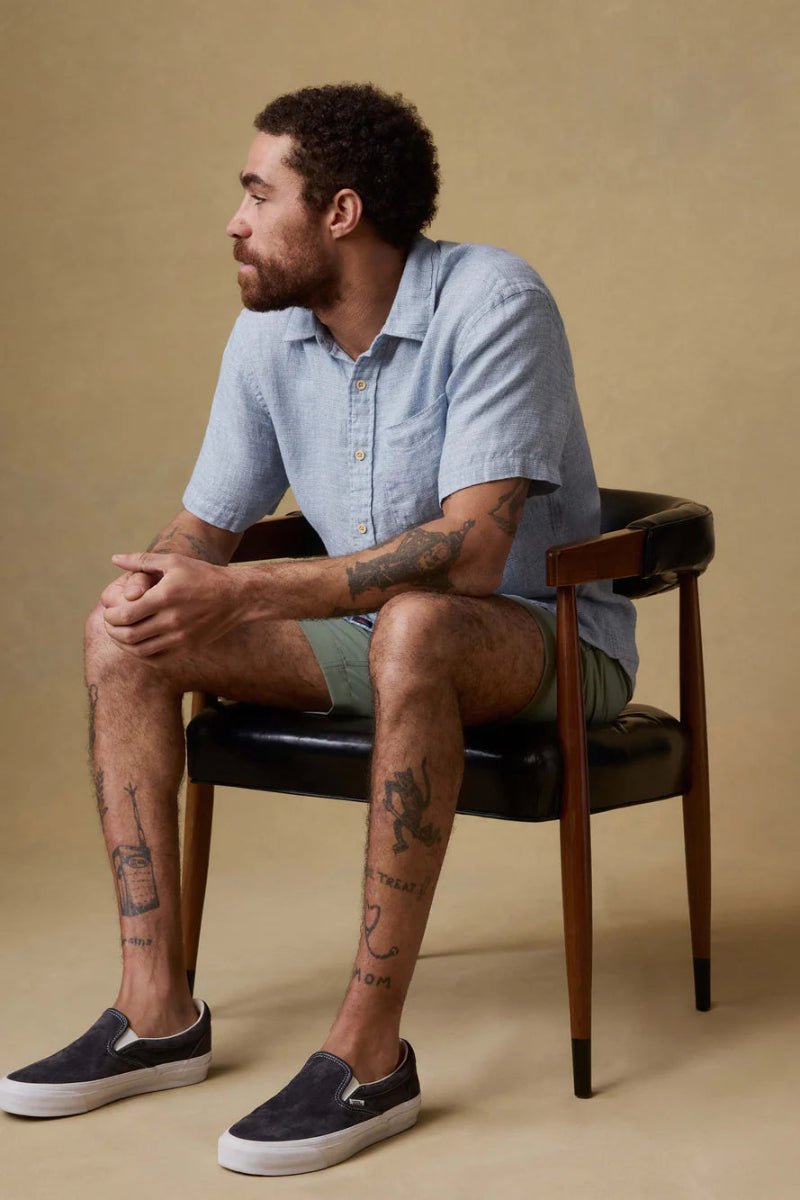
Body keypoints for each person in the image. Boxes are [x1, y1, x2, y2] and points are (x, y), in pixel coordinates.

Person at [0, 82, 638, 1175]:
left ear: (338, 212)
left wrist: (243, 593)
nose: (237, 220)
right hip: (384, 631)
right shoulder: (269, 338)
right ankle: (153, 1011)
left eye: (259, 193)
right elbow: (206, 528)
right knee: (123, 635)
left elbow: (472, 551)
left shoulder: (492, 300)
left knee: (421, 626)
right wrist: (157, 584)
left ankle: (367, 1049)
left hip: (546, 634)